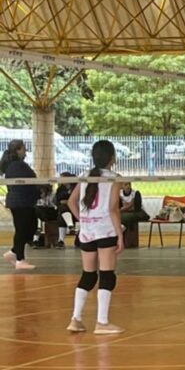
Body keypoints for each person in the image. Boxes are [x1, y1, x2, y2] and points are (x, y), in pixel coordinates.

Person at [65, 140, 125, 334]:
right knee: (107, 275)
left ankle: (75, 319)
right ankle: (102, 323)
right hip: (105, 229)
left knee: (88, 275)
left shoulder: (85, 176)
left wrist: (83, 219)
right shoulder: (114, 178)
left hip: (87, 231)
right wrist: (120, 235)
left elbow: (71, 202)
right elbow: (113, 209)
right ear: (112, 158)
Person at [2, 139, 40, 271]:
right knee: (23, 229)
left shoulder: (17, 165)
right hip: (20, 202)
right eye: (24, 149)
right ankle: (19, 259)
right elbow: (27, 182)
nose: (26, 151)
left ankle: (14, 253)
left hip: (24, 202)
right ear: (18, 150)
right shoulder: (16, 165)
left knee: (30, 227)